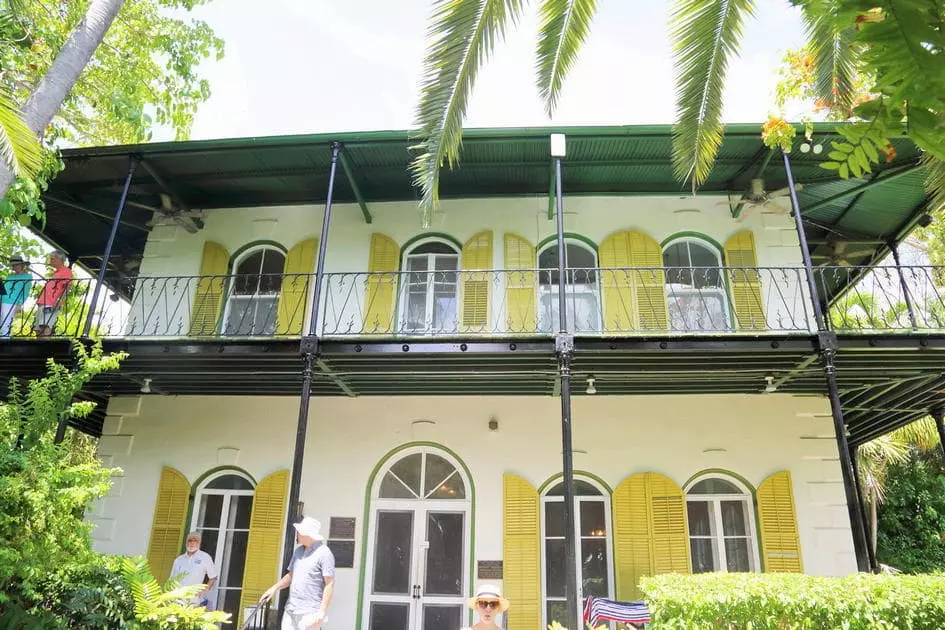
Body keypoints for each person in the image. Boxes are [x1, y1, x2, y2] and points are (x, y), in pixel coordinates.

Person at [260, 516, 335, 630]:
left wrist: (321, 613)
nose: (297, 534)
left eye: (299, 532)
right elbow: (291, 576)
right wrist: (274, 588)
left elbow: (329, 584)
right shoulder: (298, 551)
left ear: (307, 534)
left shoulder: (324, 553)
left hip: (310, 612)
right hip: (291, 610)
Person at [169, 531, 218, 609]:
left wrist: (203, 591)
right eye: (190, 540)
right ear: (186, 543)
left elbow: (213, 577)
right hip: (176, 601)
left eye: (195, 541)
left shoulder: (205, 557)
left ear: (199, 543)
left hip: (194, 601)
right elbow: (171, 581)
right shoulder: (179, 560)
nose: (192, 543)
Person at [33, 250, 72, 338]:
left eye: (52, 259)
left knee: (45, 326)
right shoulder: (57, 272)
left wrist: (59, 301)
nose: (50, 261)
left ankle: (45, 350)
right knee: (38, 330)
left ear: (59, 259)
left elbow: (67, 287)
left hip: (51, 303)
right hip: (43, 303)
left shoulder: (66, 271)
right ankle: (39, 351)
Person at [1, 255, 32, 337]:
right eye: (13, 265)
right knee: (2, 323)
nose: (14, 267)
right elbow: (4, 288)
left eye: (16, 265)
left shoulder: (28, 277)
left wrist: (20, 304)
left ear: (22, 265)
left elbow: (25, 292)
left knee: (5, 323)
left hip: (12, 302)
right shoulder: (9, 276)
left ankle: (4, 345)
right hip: (2, 300)